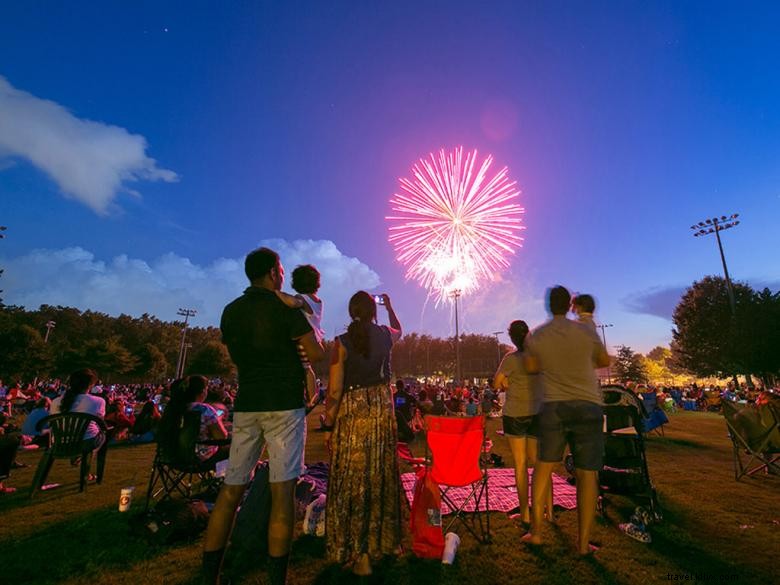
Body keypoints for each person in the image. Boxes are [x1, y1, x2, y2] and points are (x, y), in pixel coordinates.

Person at [202, 247, 325, 585]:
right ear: (273, 272)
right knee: (282, 491)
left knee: (231, 489)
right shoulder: (285, 309)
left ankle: (208, 573)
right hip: (284, 404)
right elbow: (316, 353)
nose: (284, 275)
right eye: (281, 269)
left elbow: (241, 352)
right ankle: (276, 577)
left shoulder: (231, 311)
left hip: (248, 403)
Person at [522, 286, 610, 555]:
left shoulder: (537, 334)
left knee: (543, 469)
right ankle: (583, 545)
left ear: (549, 305)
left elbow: (531, 368)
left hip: (554, 406)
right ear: (569, 305)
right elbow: (603, 360)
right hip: (587, 404)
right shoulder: (585, 329)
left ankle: (536, 533)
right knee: (587, 475)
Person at [322, 291, 402, 577]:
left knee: (354, 480)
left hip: (353, 412)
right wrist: (390, 307)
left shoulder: (341, 342)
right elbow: (399, 330)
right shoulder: (384, 335)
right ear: (372, 311)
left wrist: (329, 424)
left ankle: (358, 552)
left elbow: (333, 391)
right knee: (379, 477)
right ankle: (382, 544)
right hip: (381, 409)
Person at [493, 320, 552, 527]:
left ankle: (526, 514)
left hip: (515, 414)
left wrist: (507, 383)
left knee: (520, 466)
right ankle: (549, 511)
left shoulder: (510, 359)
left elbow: (496, 383)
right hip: (537, 413)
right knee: (539, 463)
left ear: (511, 338)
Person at [275, 264, 325, 411]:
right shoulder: (318, 301)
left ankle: (311, 399)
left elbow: (293, 303)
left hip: (304, 338)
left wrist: (277, 293)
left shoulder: (300, 298)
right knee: (308, 369)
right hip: (316, 338)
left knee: (306, 367)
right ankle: (312, 396)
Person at [50, 369, 108, 481]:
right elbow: (100, 422)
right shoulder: (98, 401)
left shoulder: (56, 401)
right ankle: (84, 464)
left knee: (94, 433)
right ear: (91, 385)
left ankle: (78, 457)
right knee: (102, 434)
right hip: (85, 442)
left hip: (60, 443)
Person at [159, 376, 230, 463]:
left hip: (171, 456)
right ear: (203, 391)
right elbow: (222, 437)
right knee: (231, 448)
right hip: (197, 457)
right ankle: (223, 475)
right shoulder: (204, 409)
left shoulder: (172, 407)